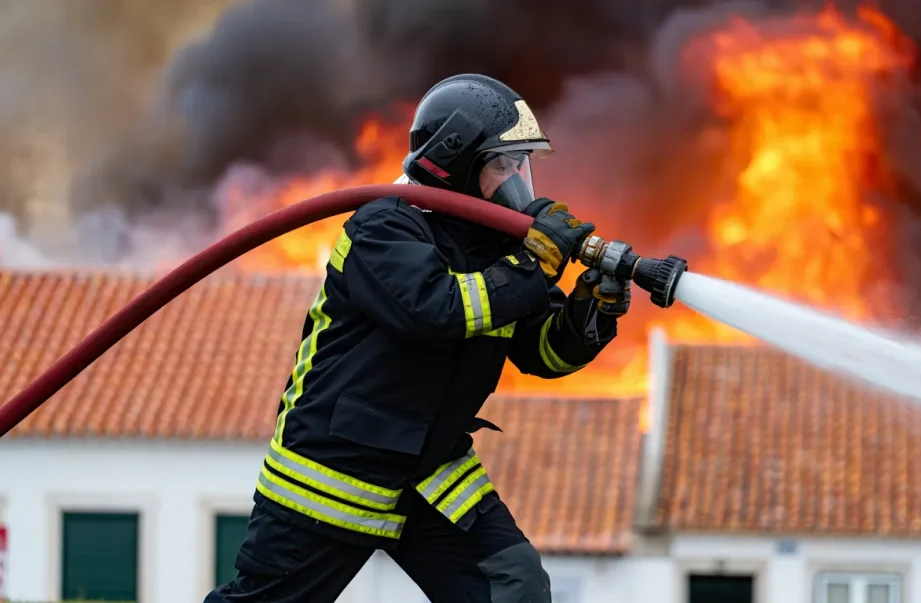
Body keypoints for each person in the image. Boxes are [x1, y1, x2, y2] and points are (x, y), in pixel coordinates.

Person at [204, 73, 631, 603]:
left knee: (512, 586)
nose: (518, 180)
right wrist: (535, 264)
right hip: (337, 469)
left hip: (430, 472)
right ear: (453, 164)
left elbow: (541, 352)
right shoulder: (383, 228)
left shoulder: (500, 253)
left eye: (522, 165)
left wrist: (593, 310)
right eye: (502, 165)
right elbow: (436, 309)